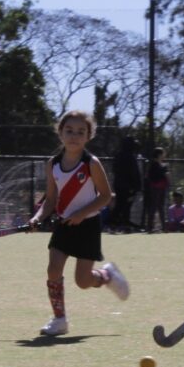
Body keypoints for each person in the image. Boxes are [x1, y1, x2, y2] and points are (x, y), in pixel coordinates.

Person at [28, 110, 130, 337]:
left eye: (80, 132)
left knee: (83, 281)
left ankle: (106, 275)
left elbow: (105, 196)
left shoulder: (91, 163)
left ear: (88, 136)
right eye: (69, 130)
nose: (74, 136)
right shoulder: (52, 164)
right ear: (60, 133)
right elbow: (51, 200)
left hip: (87, 226)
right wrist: (37, 218)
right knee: (53, 269)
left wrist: (82, 214)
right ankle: (59, 319)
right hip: (63, 225)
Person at [110, 134, 142, 232]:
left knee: (120, 204)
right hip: (128, 186)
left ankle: (118, 224)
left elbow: (114, 169)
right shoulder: (130, 157)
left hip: (118, 185)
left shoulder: (118, 155)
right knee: (125, 205)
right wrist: (135, 186)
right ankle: (119, 223)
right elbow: (133, 172)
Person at [143, 147, 169, 232]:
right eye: (162, 153)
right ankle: (149, 227)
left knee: (161, 207)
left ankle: (164, 227)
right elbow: (151, 177)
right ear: (158, 155)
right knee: (154, 206)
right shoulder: (154, 164)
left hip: (162, 188)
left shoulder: (163, 165)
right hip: (155, 188)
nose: (164, 155)